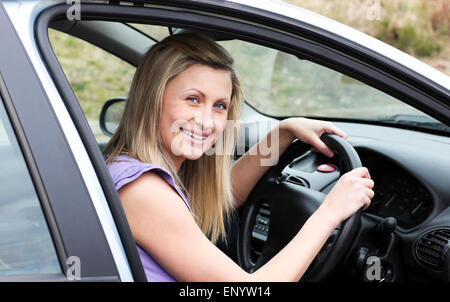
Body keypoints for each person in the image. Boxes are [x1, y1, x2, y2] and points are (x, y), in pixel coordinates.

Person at [103, 33, 374, 282]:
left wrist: (284, 132)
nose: (207, 122)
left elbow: (223, 197)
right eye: (193, 99)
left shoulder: (132, 170)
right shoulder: (143, 191)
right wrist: (329, 213)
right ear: (152, 99)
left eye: (220, 105)